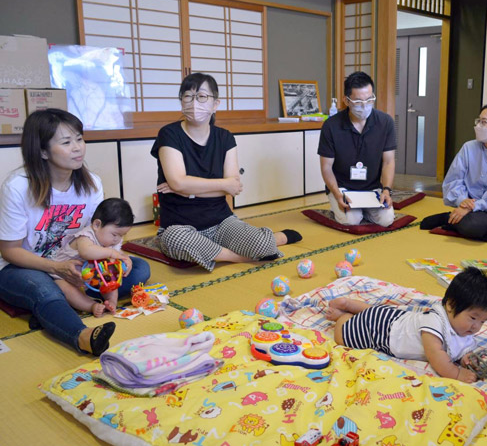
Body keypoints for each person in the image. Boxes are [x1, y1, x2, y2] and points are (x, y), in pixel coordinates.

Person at [0, 109, 150, 356]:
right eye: (67, 142)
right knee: (43, 288)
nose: (78, 147)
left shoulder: (91, 183)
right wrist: (55, 269)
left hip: (76, 262)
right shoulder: (18, 186)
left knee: (139, 269)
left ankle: (58, 308)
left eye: (79, 139)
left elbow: (98, 235)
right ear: (42, 151)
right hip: (24, 267)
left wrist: (115, 258)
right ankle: (81, 335)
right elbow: (10, 250)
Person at [151, 73, 302, 271]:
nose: (194, 102)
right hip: (180, 227)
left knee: (263, 244)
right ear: (181, 102)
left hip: (221, 221)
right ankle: (237, 257)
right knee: (176, 240)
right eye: (187, 96)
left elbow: (233, 187)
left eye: (202, 97)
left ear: (215, 104)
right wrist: (219, 185)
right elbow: (179, 182)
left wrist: (189, 190)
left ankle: (268, 240)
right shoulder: (169, 134)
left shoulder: (225, 138)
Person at [325, 267, 487, 382]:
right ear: (451, 305)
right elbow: (436, 355)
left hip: (396, 318)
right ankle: (343, 315)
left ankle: (351, 305)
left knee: (377, 310)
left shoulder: (461, 326)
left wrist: (466, 358)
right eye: (473, 318)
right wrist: (456, 374)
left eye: (482, 321)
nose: (477, 327)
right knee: (344, 336)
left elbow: (461, 347)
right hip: (383, 332)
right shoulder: (434, 323)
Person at [421, 103, 487, 244]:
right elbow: (453, 181)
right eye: (478, 121)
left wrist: (473, 206)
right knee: (475, 225)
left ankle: (452, 220)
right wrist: (462, 201)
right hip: (473, 210)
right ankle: (462, 221)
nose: (478, 126)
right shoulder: (468, 147)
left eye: (484, 122)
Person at [318, 71, 396, 227]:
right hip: (342, 188)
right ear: (346, 101)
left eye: (369, 100)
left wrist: (386, 190)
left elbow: (388, 162)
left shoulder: (385, 122)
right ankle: (346, 208)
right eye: (358, 102)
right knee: (351, 220)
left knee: (386, 220)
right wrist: (337, 193)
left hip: (372, 188)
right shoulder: (331, 126)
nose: (365, 106)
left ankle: (365, 209)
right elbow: (326, 167)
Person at [52, 198, 135, 318]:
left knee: (111, 279)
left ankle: (111, 303)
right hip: (65, 276)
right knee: (65, 289)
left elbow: (115, 257)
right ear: (97, 225)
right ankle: (91, 306)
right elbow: (86, 252)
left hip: (92, 276)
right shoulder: (86, 236)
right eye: (114, 234)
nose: (117, 239)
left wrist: (124, 261)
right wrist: (111, 253)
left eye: (122, 235)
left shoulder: (112, 242)